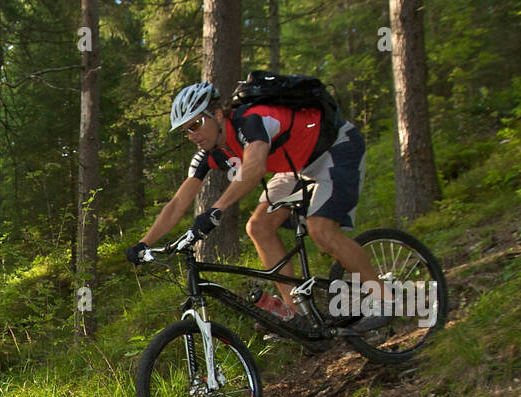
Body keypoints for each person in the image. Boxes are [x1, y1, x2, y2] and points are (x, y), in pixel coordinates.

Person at [127, 80, 387, 332]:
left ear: (217, 114)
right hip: (295, 166)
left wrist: (215, 210)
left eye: (196, 124)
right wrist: (144, 243)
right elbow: (178, 203)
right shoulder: (209, 154)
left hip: (335, 149)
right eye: (186, 130)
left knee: (321, 230)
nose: (192, 135)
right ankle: (295, 312)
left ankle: (384, 298)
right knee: (258, 226)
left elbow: (254, 168)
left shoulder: (251, 121)